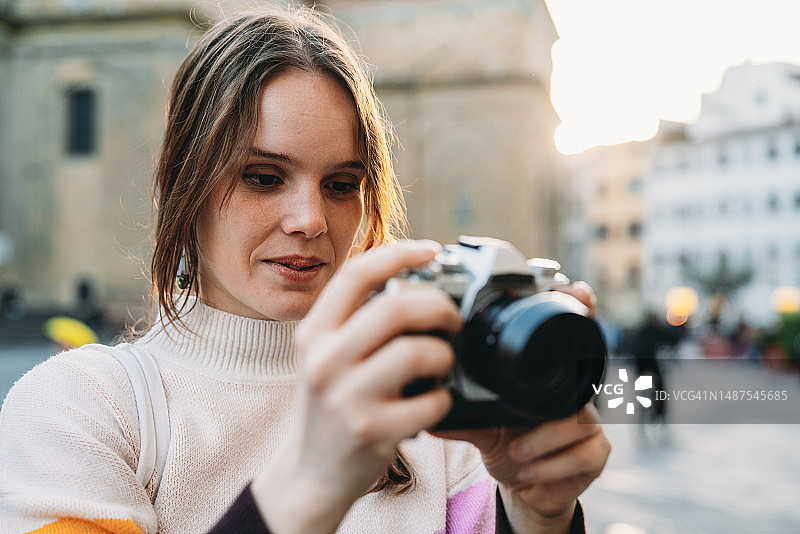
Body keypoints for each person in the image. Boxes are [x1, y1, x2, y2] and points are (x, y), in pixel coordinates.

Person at [0, 5, 610, 534]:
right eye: (263, 177)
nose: (311, 220)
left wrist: (536, 516)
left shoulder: (440, 422)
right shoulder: (81, 410)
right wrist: (313, 479)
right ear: (186, 182)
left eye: (342, 185)